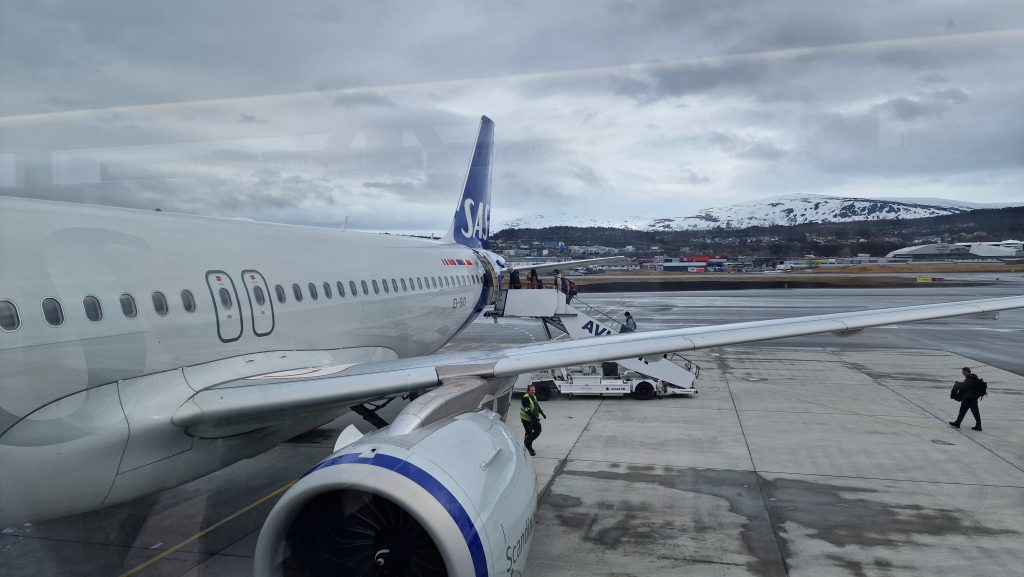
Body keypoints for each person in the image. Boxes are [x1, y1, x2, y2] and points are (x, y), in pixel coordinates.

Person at [949, 366, 984, 431]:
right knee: (972, 412)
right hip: (972, 398)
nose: (963, 373)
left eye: (963, 372)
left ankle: (958, 423)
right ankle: (958, 423)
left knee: (965, 411)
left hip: (969, 399)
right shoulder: (974, 378)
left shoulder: (969, 379)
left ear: (966, 372)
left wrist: (958, 385)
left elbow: (964, 387)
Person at [520, 384, 547, 456]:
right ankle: (528, 447)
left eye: (534, 390)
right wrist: (535, 417)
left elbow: (537, 406)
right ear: (528, 391)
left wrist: (542, 413)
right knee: (529, 433)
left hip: (534, 418)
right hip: (527, 419)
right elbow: (527, 411)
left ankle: (527, 443)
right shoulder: (525, 398)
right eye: (532, 390)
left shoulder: (534, 396)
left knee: (538, 430)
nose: (533, 391)